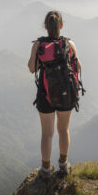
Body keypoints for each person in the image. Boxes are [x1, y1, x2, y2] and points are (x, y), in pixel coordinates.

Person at [28, 10, 82, 179]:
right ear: (61, 26)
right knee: (63, 129)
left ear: (45, 26)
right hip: (66, 93)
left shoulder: (39, 45)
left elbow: (31, 68)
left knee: (47, 133)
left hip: (45, 94)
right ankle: (64, 165)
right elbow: (78, 67)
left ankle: (45, 169)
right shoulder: (70, 44)